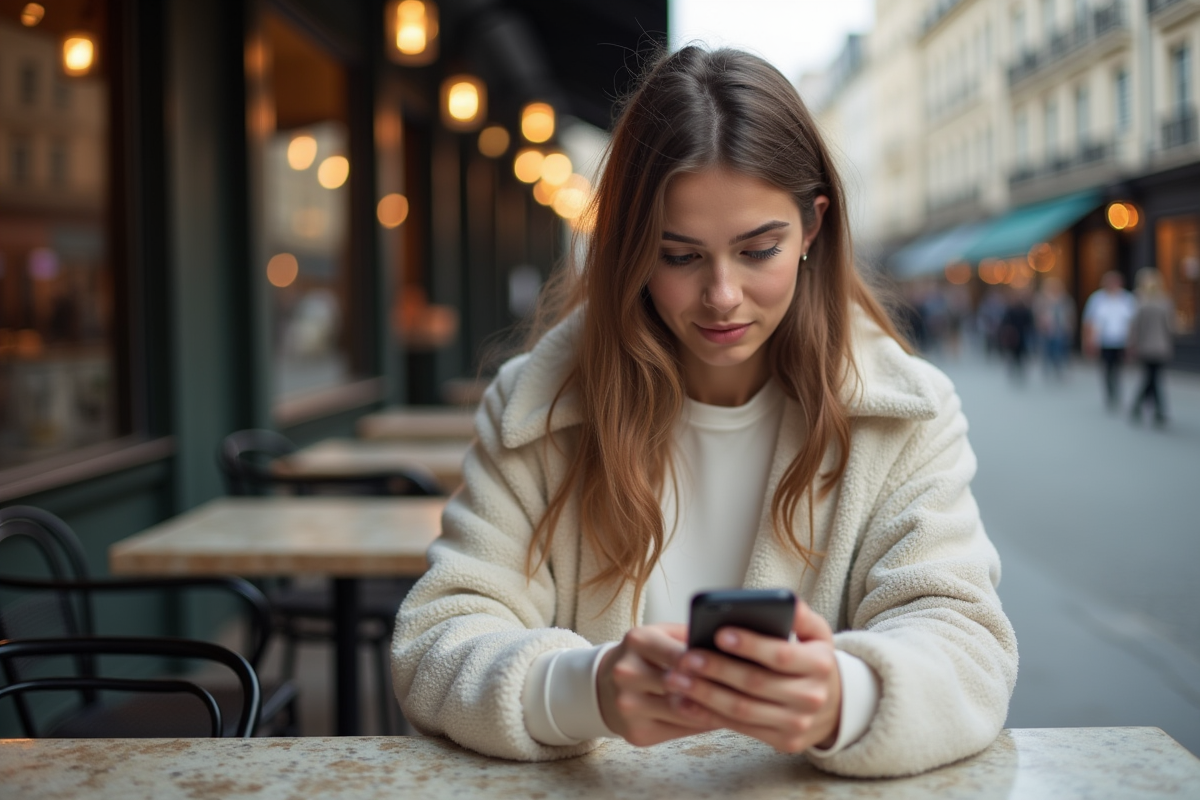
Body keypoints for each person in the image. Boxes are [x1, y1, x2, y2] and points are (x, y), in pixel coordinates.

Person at [392, 47, 1017, 780]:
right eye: (679, 256)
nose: (722, 296)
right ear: (630, 248)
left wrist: (844, 697)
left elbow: (967, 647)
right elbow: (435, 640)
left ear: (812, 228)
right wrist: (587, 690)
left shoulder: (905, 412)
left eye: (758, 250)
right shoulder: (537, 405)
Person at [1127, 268, 1176, 425]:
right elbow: (1170, 327)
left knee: (1151, 378)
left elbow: (1136, 328)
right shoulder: (1165, 302)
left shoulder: (1140, 302)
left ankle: (1142, 406)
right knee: (1153, 378)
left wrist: (1132, 344)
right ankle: (1157, 410)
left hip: (1145, 347)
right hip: (1161, 346)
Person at [1081, 270, 1136, 409]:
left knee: (1118, 368)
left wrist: (1132, 342)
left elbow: (1133, 322)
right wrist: (1089, 341)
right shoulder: (1097, 299)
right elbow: (1089, 321)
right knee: (1107, 367)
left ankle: (1116, 391)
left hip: (1121, 340)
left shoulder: (1127, 299)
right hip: (1104, 340)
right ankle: (1110, 392)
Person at [1032, 277, 1075, 379]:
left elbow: (1070, 314)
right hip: (1047, 329)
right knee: (1046, 350)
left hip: (1060, 329)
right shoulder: (1042, 299)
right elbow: (1036, 313)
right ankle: (1047, 369)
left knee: (1059, 349)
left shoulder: (1065, 299)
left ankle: (1058, 368)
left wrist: (1070, 326)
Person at [998, 286, 1035, 381]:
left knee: (1019, 356)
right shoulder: (1011, 310)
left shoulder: (1024, 310)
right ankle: (1015, 372)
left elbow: (1030, 323)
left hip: (1021, 336)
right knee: (1014, 356)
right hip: (1014, 337)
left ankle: (1019, 372)